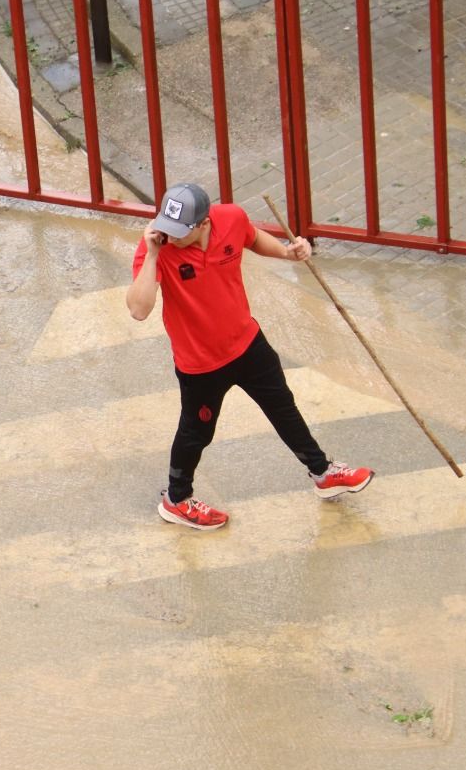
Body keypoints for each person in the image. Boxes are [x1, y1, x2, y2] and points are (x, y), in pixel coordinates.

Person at [126, 183, 374, 530]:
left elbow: (253, 238)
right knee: (196, 433)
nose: (171, 237)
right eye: (167, 227)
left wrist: (289, 253)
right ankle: (176, 500)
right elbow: (139, 309)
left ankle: (322, 473)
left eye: (180, 231)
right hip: (201, 364)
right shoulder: (158, 247)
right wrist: (152, 254)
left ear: (204, 223)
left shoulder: (230, 218)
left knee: (283, 408)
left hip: (247, 342)